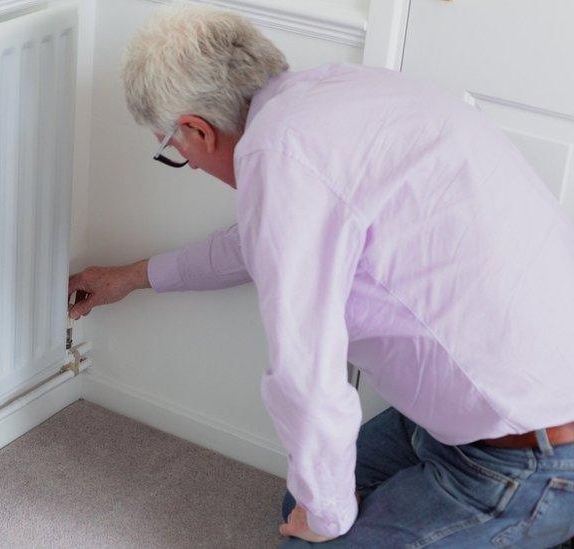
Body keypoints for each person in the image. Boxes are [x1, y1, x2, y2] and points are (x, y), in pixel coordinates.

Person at [67, 4, 574, 547]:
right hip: (484, 414)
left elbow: (305, 374)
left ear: (197, 129)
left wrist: (327, 518)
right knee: (302, 497)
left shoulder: (279, 155)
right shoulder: (331, 96)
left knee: (311, 527)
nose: (188, 162)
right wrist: (129, 277)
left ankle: (544, 521)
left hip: (528, 457)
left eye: (174, 148)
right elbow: (256, 242)